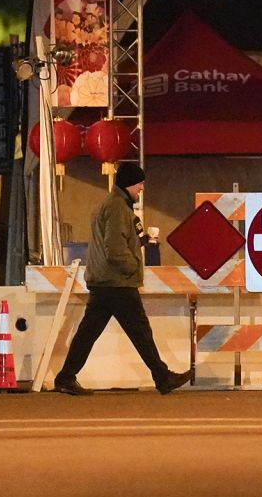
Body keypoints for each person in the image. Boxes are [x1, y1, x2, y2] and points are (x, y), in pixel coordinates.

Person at [54, 162, 194, 396]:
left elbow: (117, 241)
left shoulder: (110, 205)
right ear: (129, 184)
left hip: (104, 282)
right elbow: (115, 248)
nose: (141, 188)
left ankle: (66, 377)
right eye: (139, 183)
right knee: (140, 331)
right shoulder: (118, 208)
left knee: (89, 332)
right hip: (117, 282)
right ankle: (162, 377)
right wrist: (132, 268)